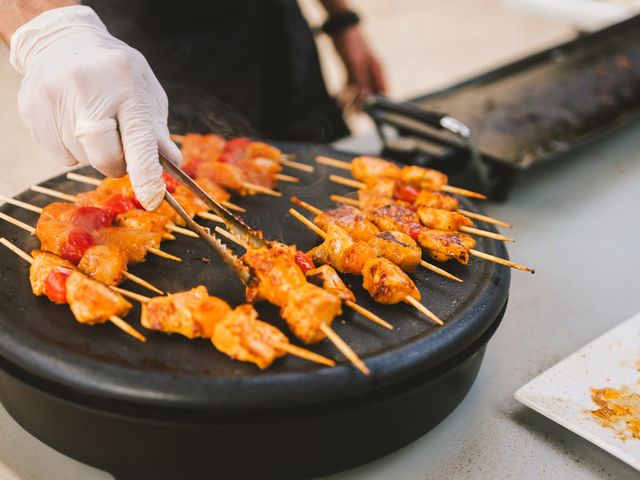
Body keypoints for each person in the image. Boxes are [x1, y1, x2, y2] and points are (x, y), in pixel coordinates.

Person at [0, 0, 386, 210]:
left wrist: (342, 19)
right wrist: (47, 31)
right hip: (150, 47)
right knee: (156, 191)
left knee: (327, 182)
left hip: (274, 37)